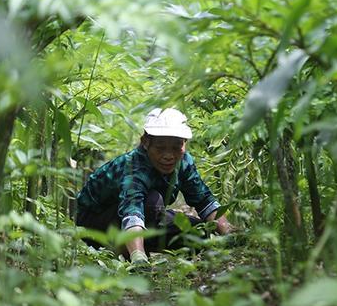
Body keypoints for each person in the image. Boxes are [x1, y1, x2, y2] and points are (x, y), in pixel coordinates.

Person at [75, 108, 233, 265]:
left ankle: (140, 248)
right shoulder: (133, 168)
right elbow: (132, 211)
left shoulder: (184, 162)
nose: (169, 155)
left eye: (176, 147)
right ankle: (127, 252)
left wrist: (229, 234)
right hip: (95, 224)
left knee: (200, 232)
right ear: (145, 142)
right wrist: (138, 256)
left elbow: (204, 200)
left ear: (184, 145)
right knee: (152, 202)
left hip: (146, 216)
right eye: (160, 148)